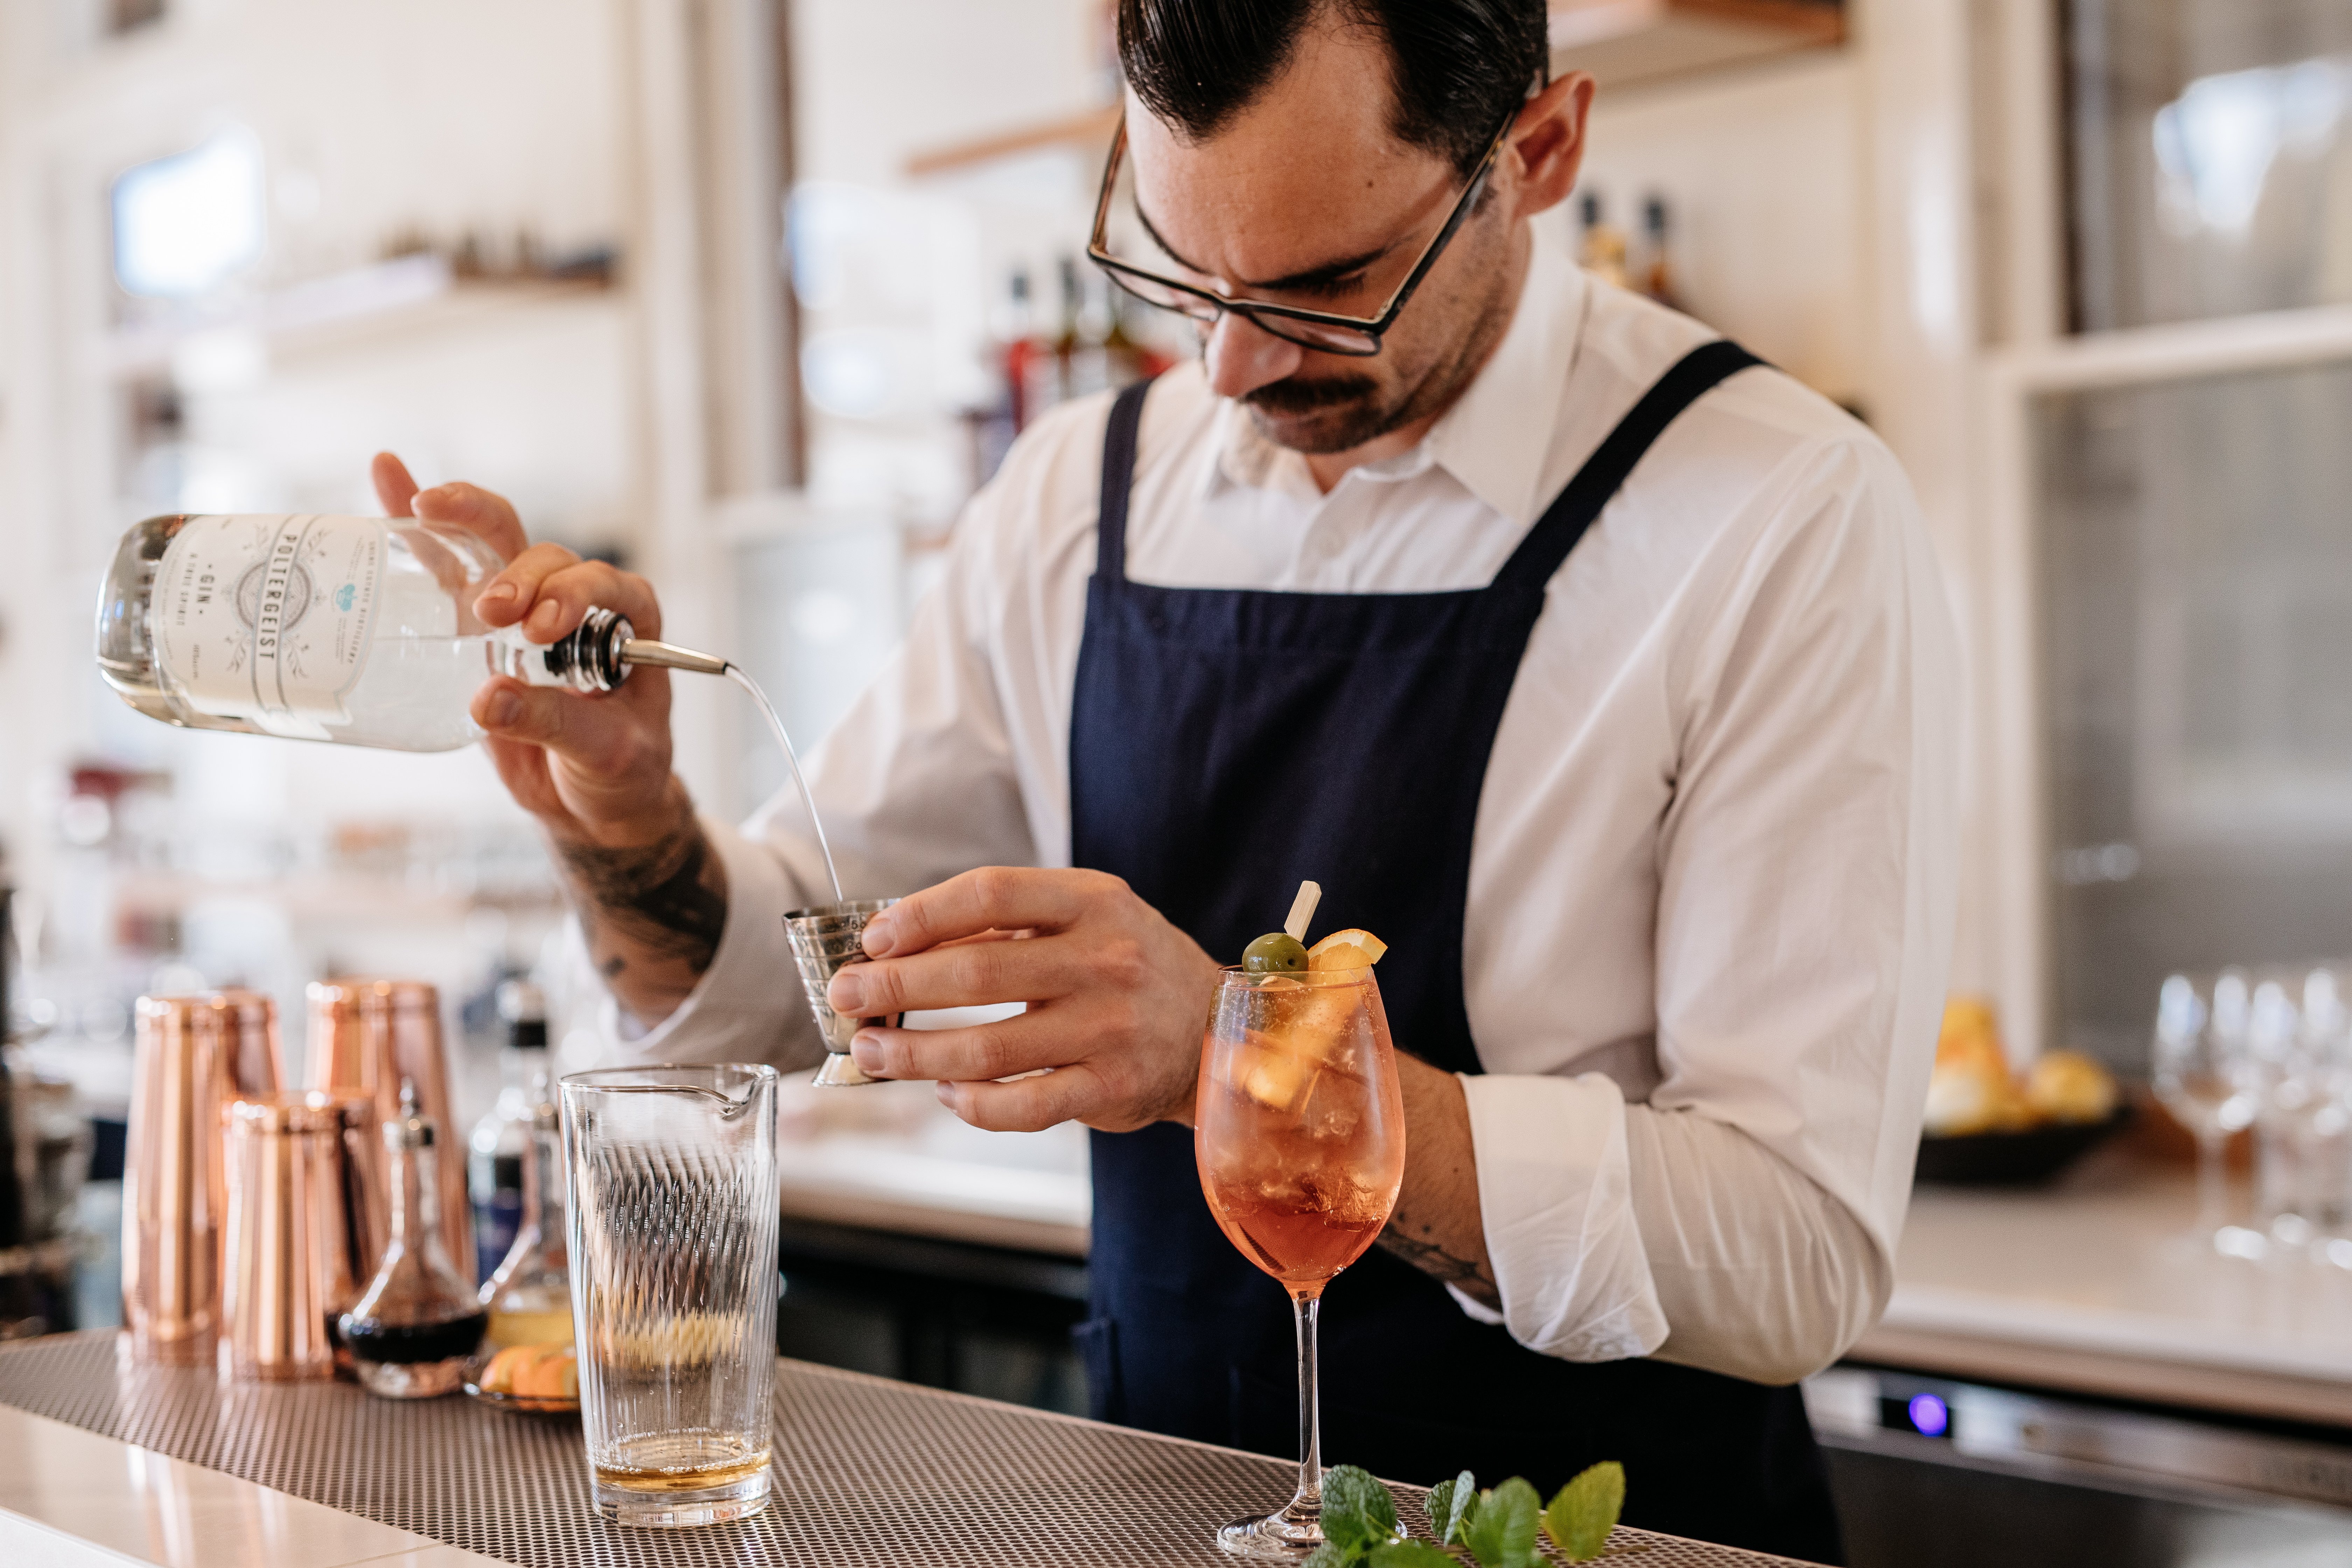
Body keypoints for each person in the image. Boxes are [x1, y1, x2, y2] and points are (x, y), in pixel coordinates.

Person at [372, 1, 1957, 1556]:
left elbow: (1794, 1252)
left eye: (1332, 284)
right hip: (1150, 1519)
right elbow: (793, 990)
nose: (1232, 361)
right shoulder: (1077, 493)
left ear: (1537, 152)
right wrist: (633, 823)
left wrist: (1241, 1057)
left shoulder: (1780, 512)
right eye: (1180, 271)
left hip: (1605, 1534)